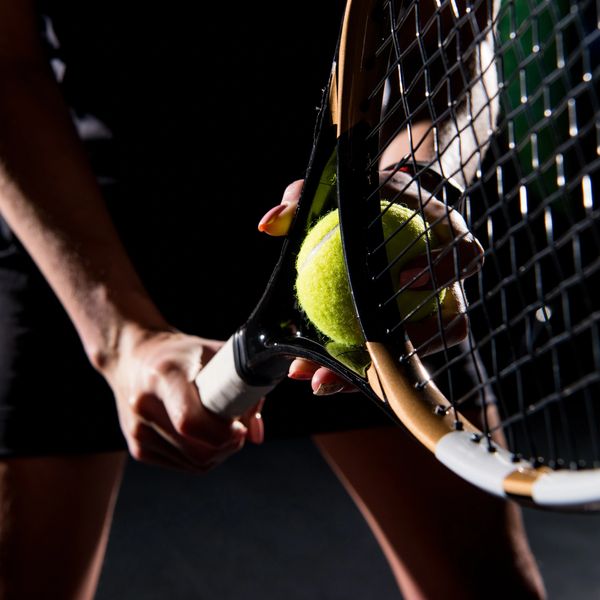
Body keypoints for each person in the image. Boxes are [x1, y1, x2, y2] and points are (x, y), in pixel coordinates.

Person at [0, 1, 545, 599]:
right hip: (80, 217)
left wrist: (410, 180)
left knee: (485, 584)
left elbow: (456, 42)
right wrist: (122, 337)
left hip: (342, 224)